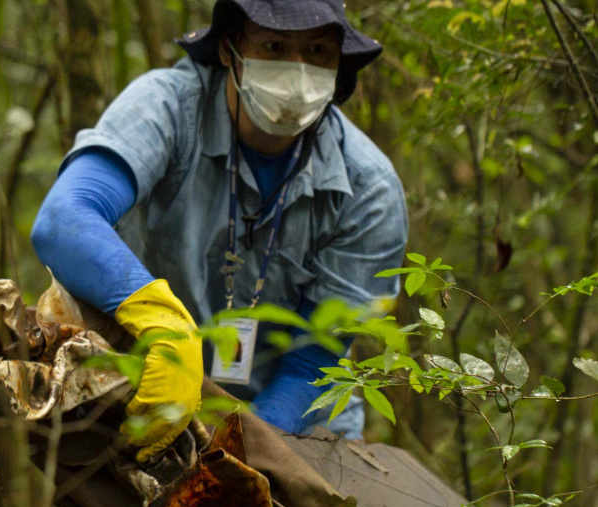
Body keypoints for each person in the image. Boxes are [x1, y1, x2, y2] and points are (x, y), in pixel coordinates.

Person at [31, 0, 408, 462]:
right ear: (230, 50)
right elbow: (63, 219)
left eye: (317, 51)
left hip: (296, 425)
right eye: (274, 45)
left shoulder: (369, 189)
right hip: (145, 389)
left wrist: (239, 451)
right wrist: (163, 324)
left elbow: (315, 359)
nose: (299, 69)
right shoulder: (168, 107)